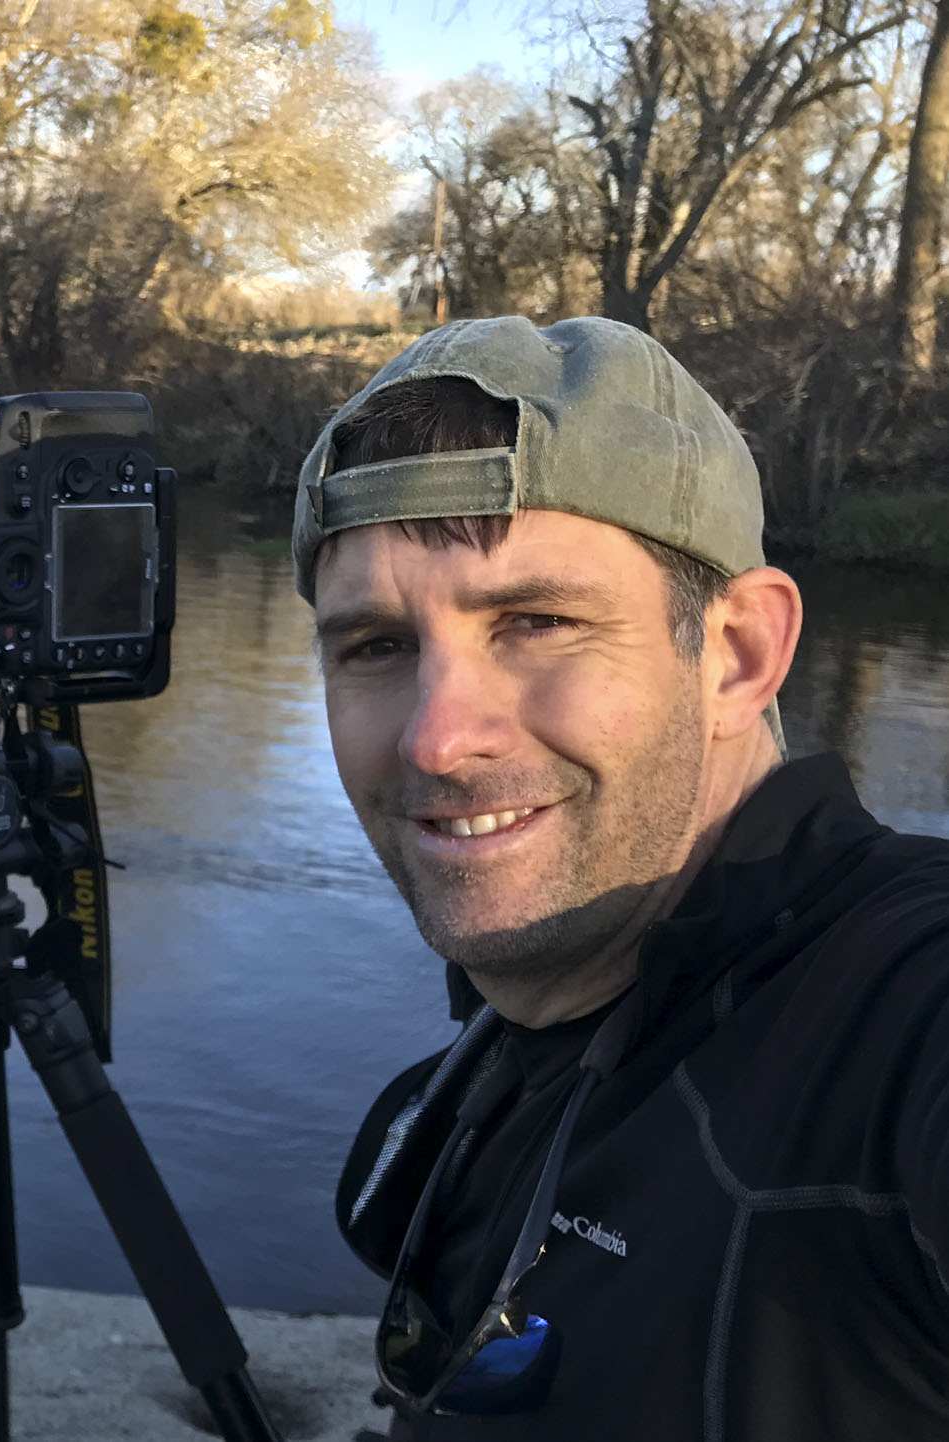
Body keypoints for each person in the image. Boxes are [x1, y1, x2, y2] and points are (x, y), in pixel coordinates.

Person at [291, 316, 949, 1440]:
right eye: (375, 647)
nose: (437, 740)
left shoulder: (893, 1002)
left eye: (536, 621)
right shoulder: (544, 1009)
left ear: (737, 653)